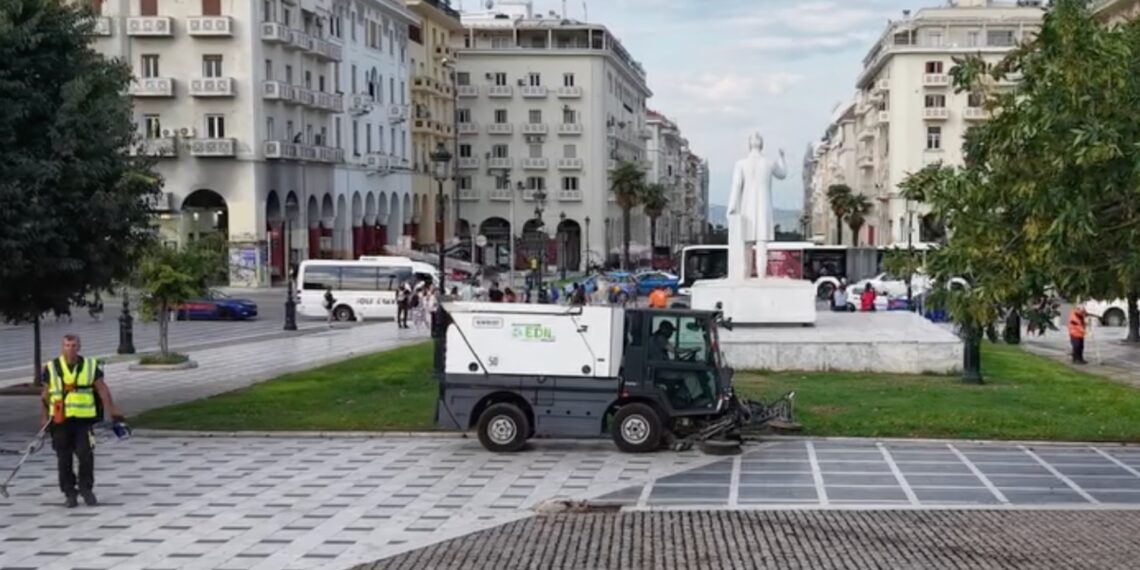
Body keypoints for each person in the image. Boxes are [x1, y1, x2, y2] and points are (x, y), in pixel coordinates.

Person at [40, 335, 123, 508]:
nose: (70, 348)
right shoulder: (51, 367)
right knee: (64, 458)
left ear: (79, 347)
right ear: (62, 347)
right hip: (60, 419)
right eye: (67, 345)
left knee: (85, 454)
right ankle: (69, 492)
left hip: (83, 421)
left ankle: (86, 489)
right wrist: (43, 417)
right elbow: (46, 394)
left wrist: (111, 413)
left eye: (73, 345)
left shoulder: (90, 366)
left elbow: (102, 390)